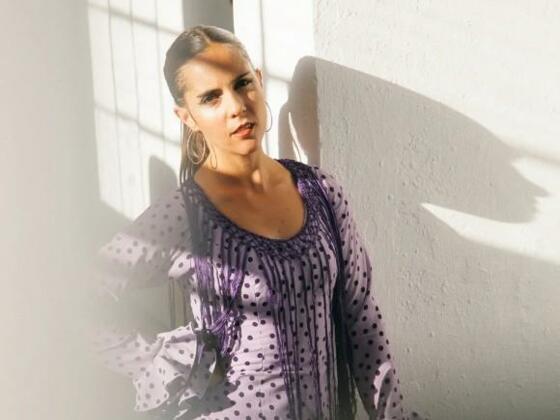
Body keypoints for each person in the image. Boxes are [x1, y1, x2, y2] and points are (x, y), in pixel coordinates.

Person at [89, 25, 425, 420]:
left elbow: (362, 319)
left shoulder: (321, 192)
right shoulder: (183, 215)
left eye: (242, 83)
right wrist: (167, 359)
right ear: (187, 117)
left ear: (259, 81)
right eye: (211, 98)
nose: (236, 106)